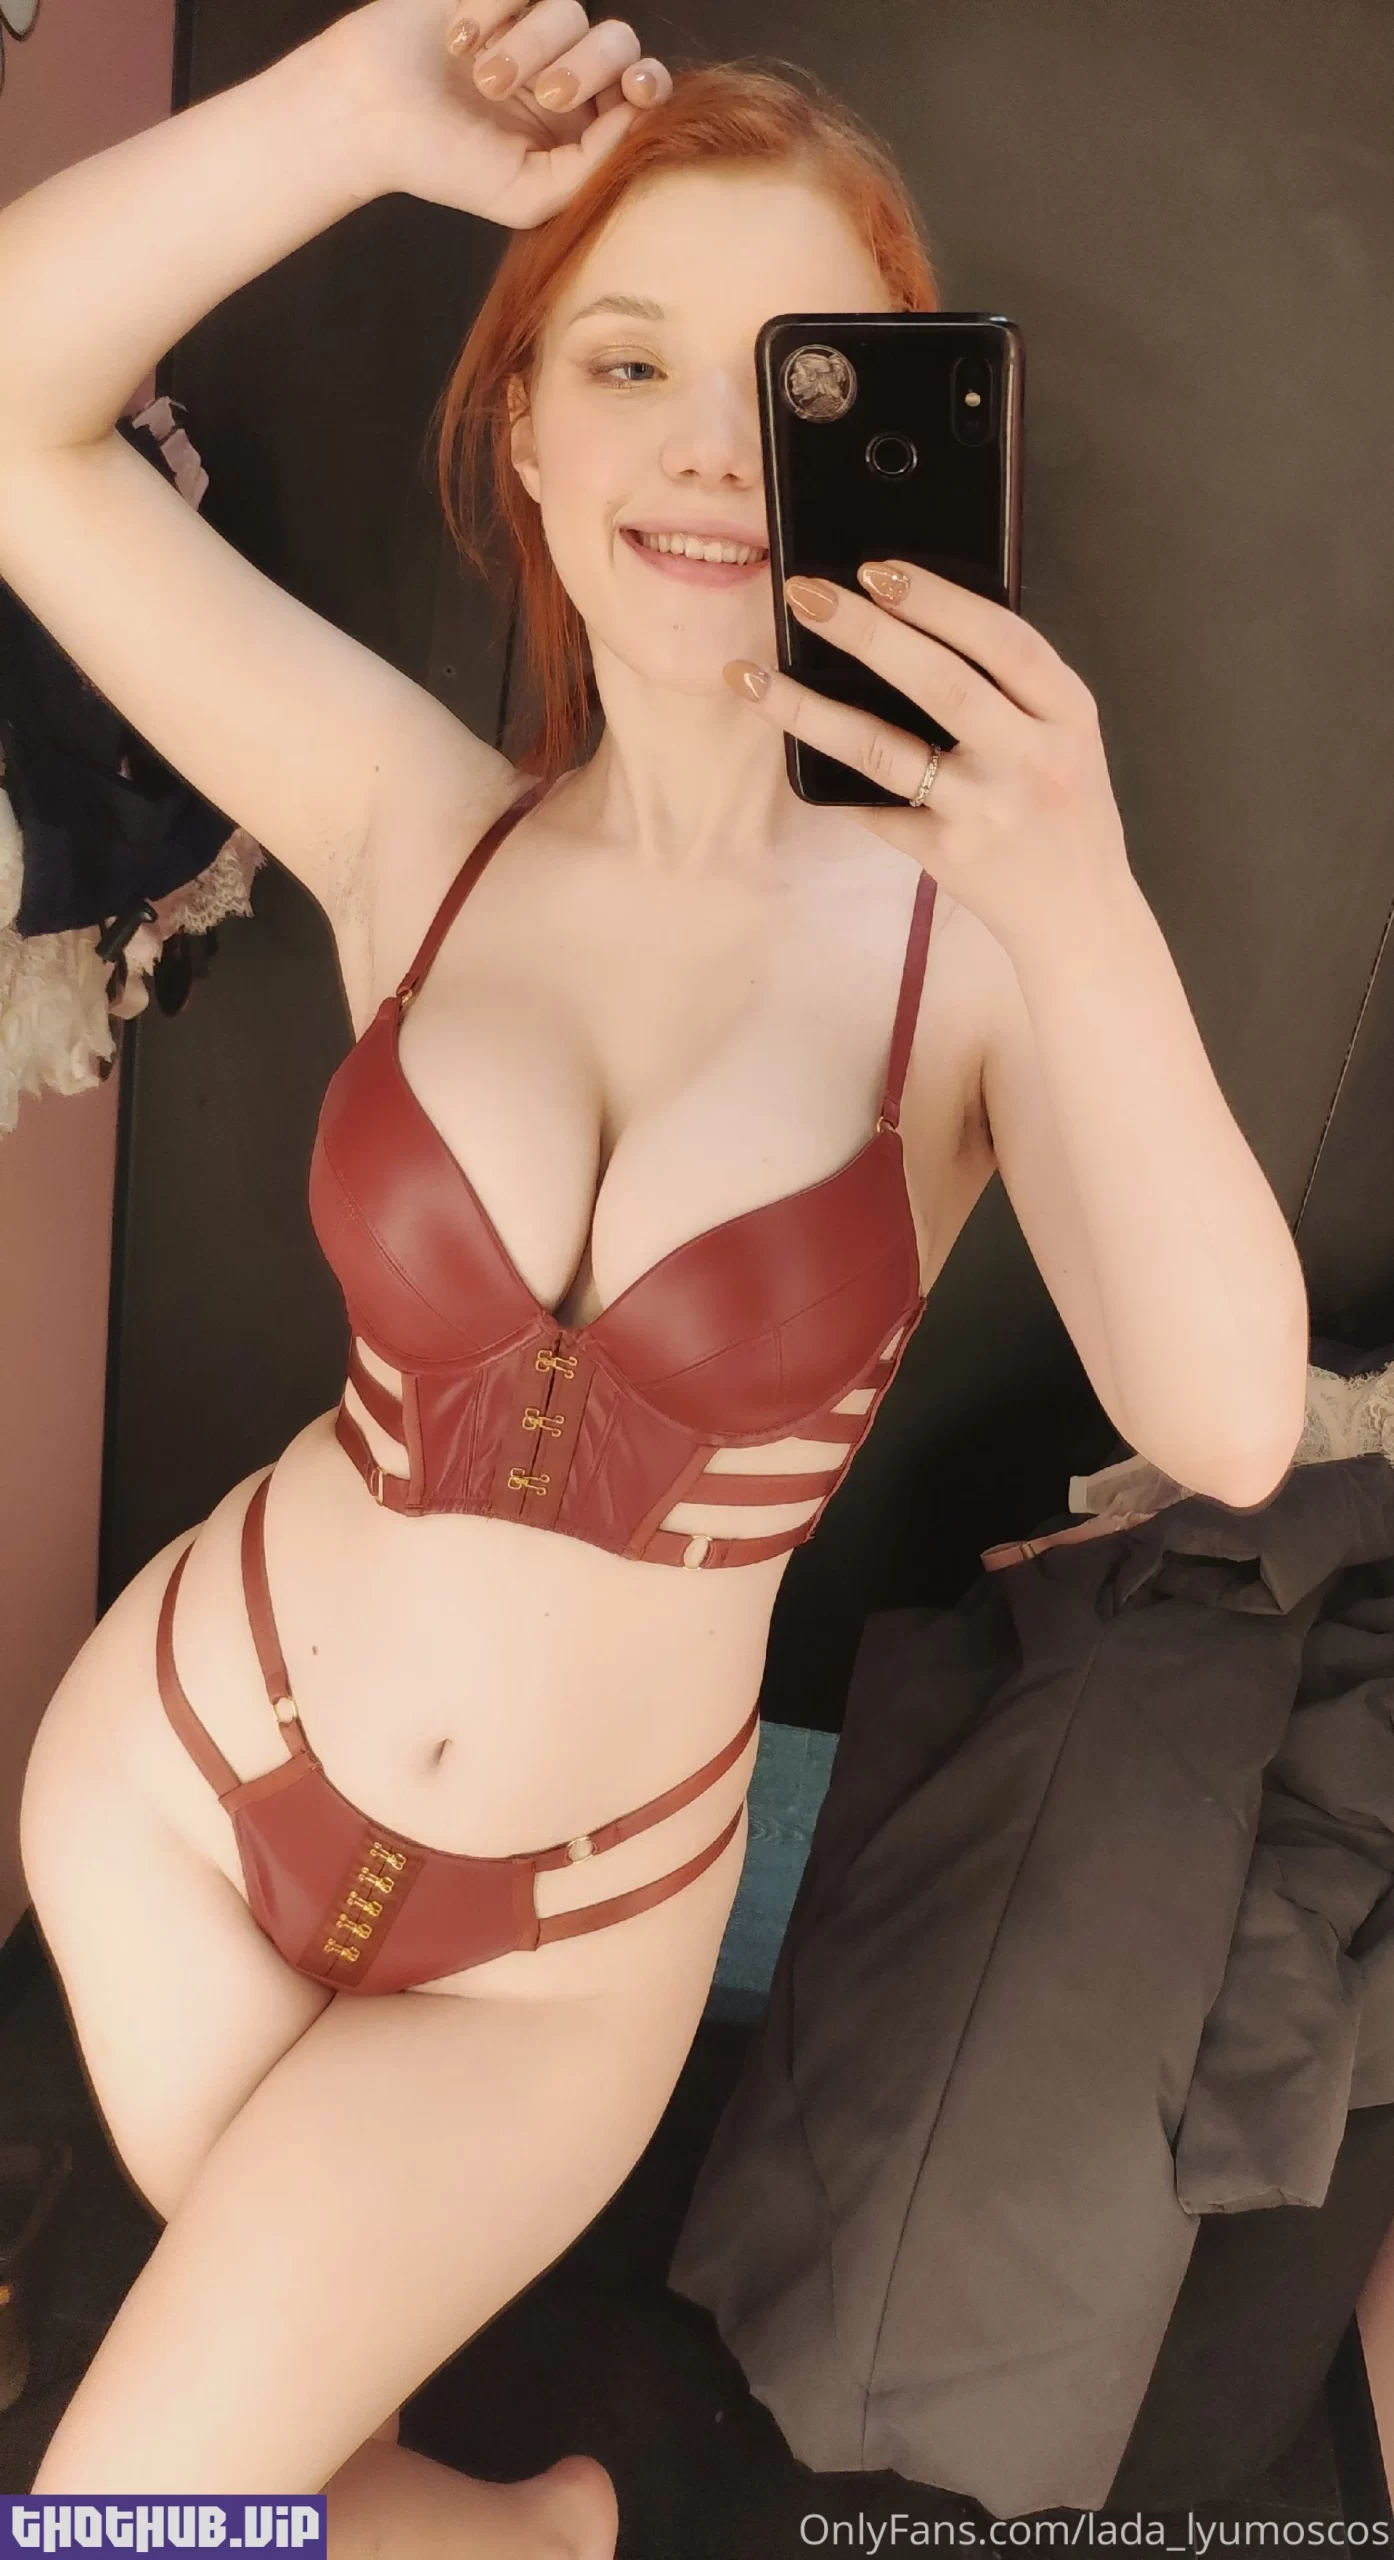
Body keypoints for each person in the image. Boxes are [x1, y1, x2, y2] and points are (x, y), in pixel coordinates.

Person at [0, 0, 1311, 2546]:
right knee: (252, 2465)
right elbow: (20, 417)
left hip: (551, 1960)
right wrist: (344, 111)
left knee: (131, 2509)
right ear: (523, 431)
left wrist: (1077, 885)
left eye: (790, 383)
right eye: (626, 361)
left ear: (903, 446)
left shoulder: (974, 955)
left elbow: (1232, 1415)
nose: (709, 446)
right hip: (168, 1786)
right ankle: (525, 2530)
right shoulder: (417, 823)